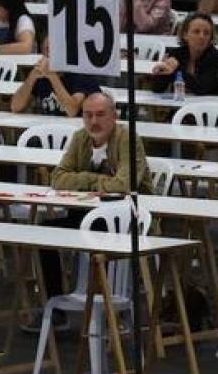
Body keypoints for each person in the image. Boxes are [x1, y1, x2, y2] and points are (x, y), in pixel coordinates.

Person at [37, 93, 151, 303]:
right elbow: (58, 178)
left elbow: (123, 184)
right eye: (88, 115)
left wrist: (82, 180)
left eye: (100, 115)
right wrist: (94, 179)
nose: (94, 121)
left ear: (114, 116)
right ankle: (56, 304)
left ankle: (104, 306)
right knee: (45, 232)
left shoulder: (128, 139)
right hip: (85, 213)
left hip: (127, 220)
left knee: (98, 232)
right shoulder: (80, 137)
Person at [11, 41, 102, 117]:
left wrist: (52, 76)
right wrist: (31, 77)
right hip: (49, 128)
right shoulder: (41, 75)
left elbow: (72, 110)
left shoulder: (80, 73)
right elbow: (15, 107)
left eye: (54, 49)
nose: (50, 54)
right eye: (47, 49)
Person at [151, 12, 218, 96]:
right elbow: (157, 89)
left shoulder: (216, 58)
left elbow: (201, 88)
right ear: (185, 35)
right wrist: (161, 73)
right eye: (196, 32)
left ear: (211, 38)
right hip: (181, 103)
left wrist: (176, 69)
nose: (201, 37)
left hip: (212, 103)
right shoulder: (176, 54)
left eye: (206, 33)